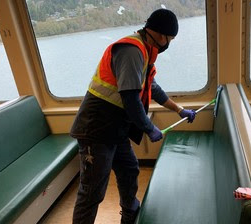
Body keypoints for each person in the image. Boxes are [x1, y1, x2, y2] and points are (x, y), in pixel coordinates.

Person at [70, 8, 196, 224]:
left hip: (115, 129)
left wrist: (178, 109)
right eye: (169, 38)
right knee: (92, 191)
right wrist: (148, 128)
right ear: (158, 33)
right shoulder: (131, 50)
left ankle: (130, 214)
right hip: (96, 129)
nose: (168, 43)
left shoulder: (145, 52)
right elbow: (130, 98)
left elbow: (151, 88)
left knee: (129, 169)